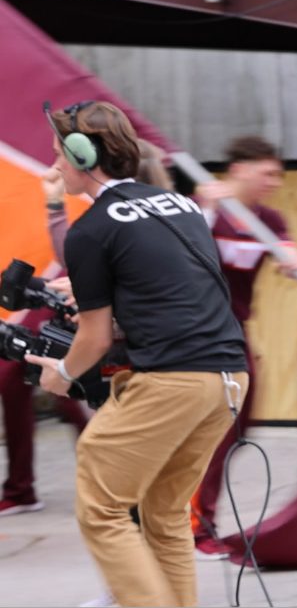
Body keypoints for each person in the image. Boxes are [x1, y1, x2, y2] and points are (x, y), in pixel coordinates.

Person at [24, 100, 248, 607]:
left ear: (83, 155)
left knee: (101, 509)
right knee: (164, 514)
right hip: (229, 378)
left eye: (60, 153)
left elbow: (96, 340)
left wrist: (60, 373)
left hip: (172, 382)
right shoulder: (184, 207)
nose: (56, 165)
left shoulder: (91, 229)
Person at [0, 138, 172, 518]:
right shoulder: (165, 219)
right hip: (161, 368)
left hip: (154, 369)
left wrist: (66, 369)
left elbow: (102, 327)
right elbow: (76, 254)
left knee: (113, 511)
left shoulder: (126, 224)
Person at [191, 135, 297, 559]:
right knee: (213, 428)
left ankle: (195, 518)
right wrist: (204, 209)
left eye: (278, 174)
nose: (275, 181)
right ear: (239, 169)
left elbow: (287, 250)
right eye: (267, 173)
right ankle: (195, 525)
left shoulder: (268, 219)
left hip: (235, 331)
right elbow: (186, 254)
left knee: (237, 425)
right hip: (195, 334)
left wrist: (293, 260)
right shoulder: (203, 209)